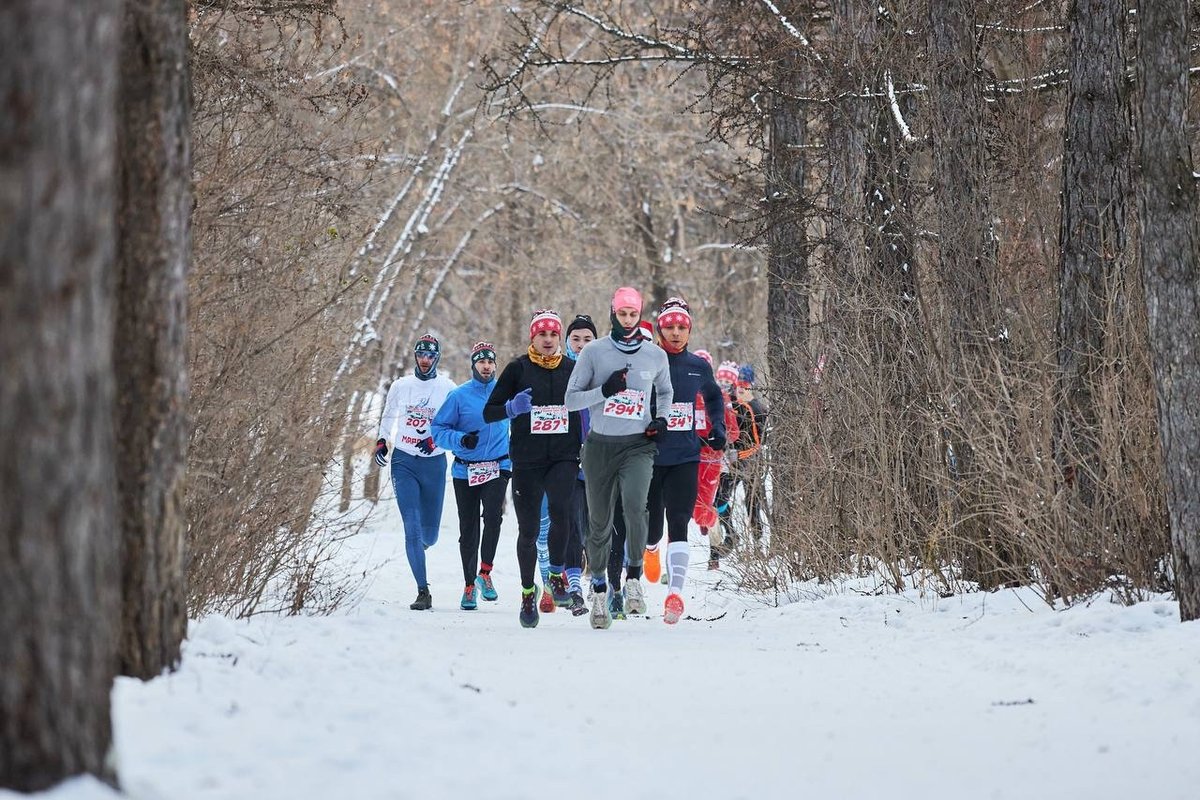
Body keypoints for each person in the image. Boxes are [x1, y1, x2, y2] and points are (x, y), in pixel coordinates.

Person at [565, 287, 673, 629]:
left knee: (635, 506)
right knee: (599, 522)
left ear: (639, 316)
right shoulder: (594, 353)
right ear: (612, 313)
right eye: (622, 314)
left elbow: (666, 391)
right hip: (599, 446)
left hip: (638, 445)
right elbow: (570, 400)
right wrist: (603, 391)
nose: (627, 320)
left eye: (632, 314)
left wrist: (663, 418)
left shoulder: (655, 356)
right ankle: (599, 590)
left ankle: (634, 578)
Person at [483, 310, 582, 628]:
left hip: (563, 457)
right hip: (526, 460)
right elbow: (489, 411)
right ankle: (528, 593)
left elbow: (591, 400)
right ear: (533, 338)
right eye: (543, 335)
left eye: (554, 335)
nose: (549, 340)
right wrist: (511, 408)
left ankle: (556, 574)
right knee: (527, 532)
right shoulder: (517, 368)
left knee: (561, 512)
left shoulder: (573, 368)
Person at [642, 298, 726, 623]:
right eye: (669, 326)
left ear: (689, 329)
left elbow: (715, 396)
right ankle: (650, 549)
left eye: (682, 327)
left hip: (686, 457)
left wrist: (718, 426)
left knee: (679, 521)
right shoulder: (646, 362)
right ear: (660, 328)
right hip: (649, 457)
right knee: (651, 527)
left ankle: (674, 595)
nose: (676, 333)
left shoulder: (698, 365)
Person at [375, 333, 456, 610]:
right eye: (420, 355)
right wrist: (381, 441)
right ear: (415, 356)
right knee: (411, 525)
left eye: (430, 356)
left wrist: (435, 440)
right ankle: (423, 591)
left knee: (429, 535)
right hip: (404, 461)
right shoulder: (401, 386)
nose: (424, 360)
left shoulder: (447, 387)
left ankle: (418, 549)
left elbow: (456, 423)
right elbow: (388, 416)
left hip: (434, 462)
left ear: (437, 358)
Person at [430, 341, 512, 610]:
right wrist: (461, 440)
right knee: (468, 530)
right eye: (481, 361)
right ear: (473, 364)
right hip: (465, 469)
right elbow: (438, 430)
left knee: (493, 518)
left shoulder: (506, 393)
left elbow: (521, 425)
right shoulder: (459, 396)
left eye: (490, 362)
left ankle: (485, 573)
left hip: (497, 467)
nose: (486, 366)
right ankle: (468, 585)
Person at [712, 360, 742, 568]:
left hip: (727, 458)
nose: (723, 384)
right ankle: (727, 537)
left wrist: (724, 438)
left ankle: (728, 537)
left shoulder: (732, 401)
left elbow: (736, 432)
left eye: (727, 381)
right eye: (720, 380)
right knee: (712, 504)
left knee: (719, 500)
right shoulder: (713, 397)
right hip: (709, 456)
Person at [733, 363, 769, 539]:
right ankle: (730, 534)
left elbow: (763, 438)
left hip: (752, 458)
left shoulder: (758, 408)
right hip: (733, 458)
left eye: (744, 384)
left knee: (752, 500)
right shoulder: (732, 406)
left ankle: (757, 540)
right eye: (738, 384)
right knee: (722, 498)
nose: (741, 388)